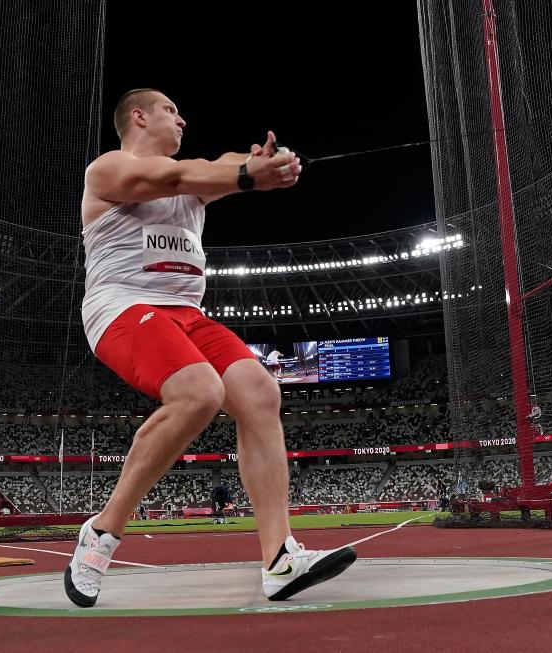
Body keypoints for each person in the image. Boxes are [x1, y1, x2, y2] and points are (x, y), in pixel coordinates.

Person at [64, 88, 356, 608]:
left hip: (185, 315)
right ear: (138, 116)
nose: (183, 119)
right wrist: (247, 177)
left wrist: (266, 163)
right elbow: (180, 176)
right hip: (122, 307)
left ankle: (280, 560)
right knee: (199, 391)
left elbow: (220, 165)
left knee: (259, 391)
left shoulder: (196, 180)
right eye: (171, 111)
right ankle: (101, 534)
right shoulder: (108, 168)